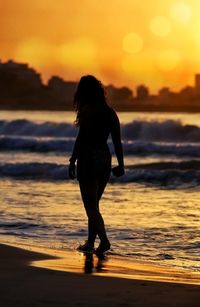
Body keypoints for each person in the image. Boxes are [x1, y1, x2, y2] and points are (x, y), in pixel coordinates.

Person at [68, 75, 124, 254]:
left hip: (88, 158)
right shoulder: (110, 112)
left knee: (90, 205)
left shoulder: (87, 110)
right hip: (104, 158)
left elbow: (81, 138)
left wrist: (72, 160)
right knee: (95, 204)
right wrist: (121, 165)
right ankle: (91, 243)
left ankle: (104, 241)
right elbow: (117, 141)